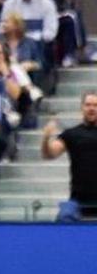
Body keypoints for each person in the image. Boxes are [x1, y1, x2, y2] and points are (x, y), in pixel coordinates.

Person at [41, 92, 97, 220]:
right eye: (88, 105)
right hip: (78, 199)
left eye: (95, 105)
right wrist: (46, 138)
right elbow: (49, 154)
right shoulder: (71, 134)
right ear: (82, 107)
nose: (92, 108)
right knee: (63, 220)